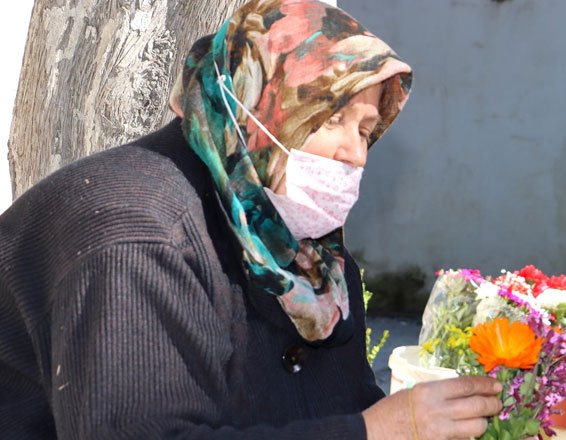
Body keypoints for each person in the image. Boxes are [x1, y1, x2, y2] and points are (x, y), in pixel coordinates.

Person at [0, 1, 502, 438]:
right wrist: (374, 431)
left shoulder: (304, 255)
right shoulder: (137, 233)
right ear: (254, 103)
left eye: (367, 131)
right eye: (329, 118)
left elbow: (337, 405)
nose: (357, 154)